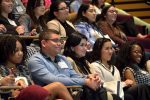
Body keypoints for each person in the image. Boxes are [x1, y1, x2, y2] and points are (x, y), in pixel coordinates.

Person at [28, 29, 114, 100]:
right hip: (51, 96)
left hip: (71, 92)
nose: (59, 44)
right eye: (55, 40)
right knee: (90, 90)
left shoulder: (63, 58)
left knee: (97, 89)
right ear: (43, 43)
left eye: (60, 41)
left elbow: (74, 75)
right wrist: (84, 81)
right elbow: (53, 80)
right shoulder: (36, 60)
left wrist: (89, 78)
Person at [0, 35, 73, 100]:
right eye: (16, 50)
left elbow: (32, 85)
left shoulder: (23, 68)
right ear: (5, 51)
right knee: (57, 86)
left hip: (31, 95)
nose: (20, 53)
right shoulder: (1, 68)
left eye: (21, 50)